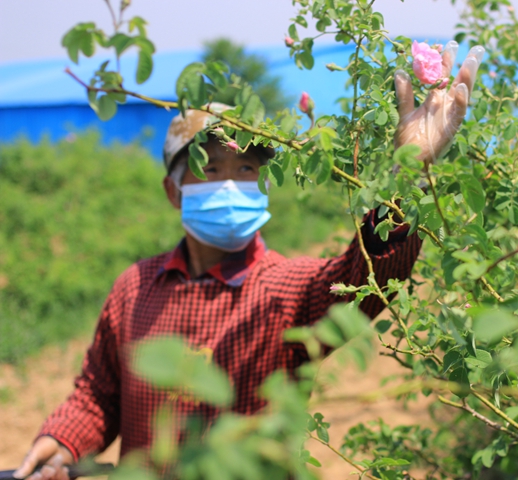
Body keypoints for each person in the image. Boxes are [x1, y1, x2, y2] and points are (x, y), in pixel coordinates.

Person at [12, 42, 484, 480]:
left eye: (246, 170)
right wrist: (64, 439)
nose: (230, 183)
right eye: (210, 169)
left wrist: (408, 175)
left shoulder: (287, 289)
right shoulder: (134, 289)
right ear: (173, 191)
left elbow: (364, 278)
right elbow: (99, 392)